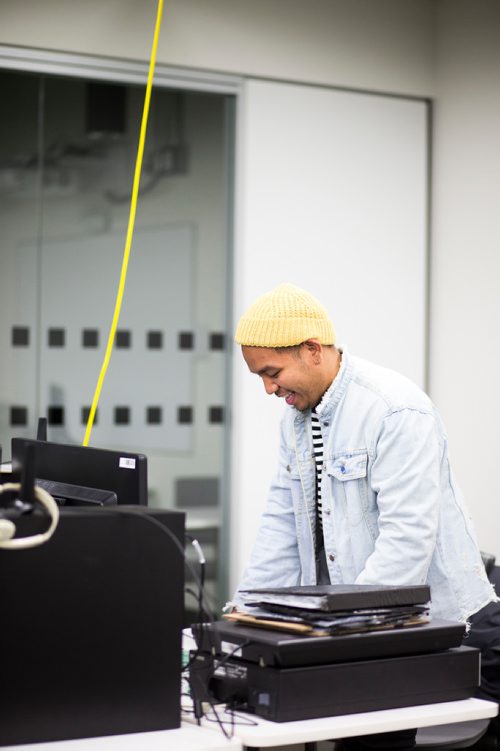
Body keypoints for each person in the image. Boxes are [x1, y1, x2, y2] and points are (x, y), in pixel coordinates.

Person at [230, 282, 498, 750]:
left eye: (272, 372)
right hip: (370, 626)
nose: (269, 389)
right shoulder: (296, 422)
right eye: (260, 377)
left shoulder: (394, 409)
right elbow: (280, 528)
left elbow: (407, 541)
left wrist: (342, 636)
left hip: (446, 625)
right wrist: (243, 617)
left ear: (312, 350)